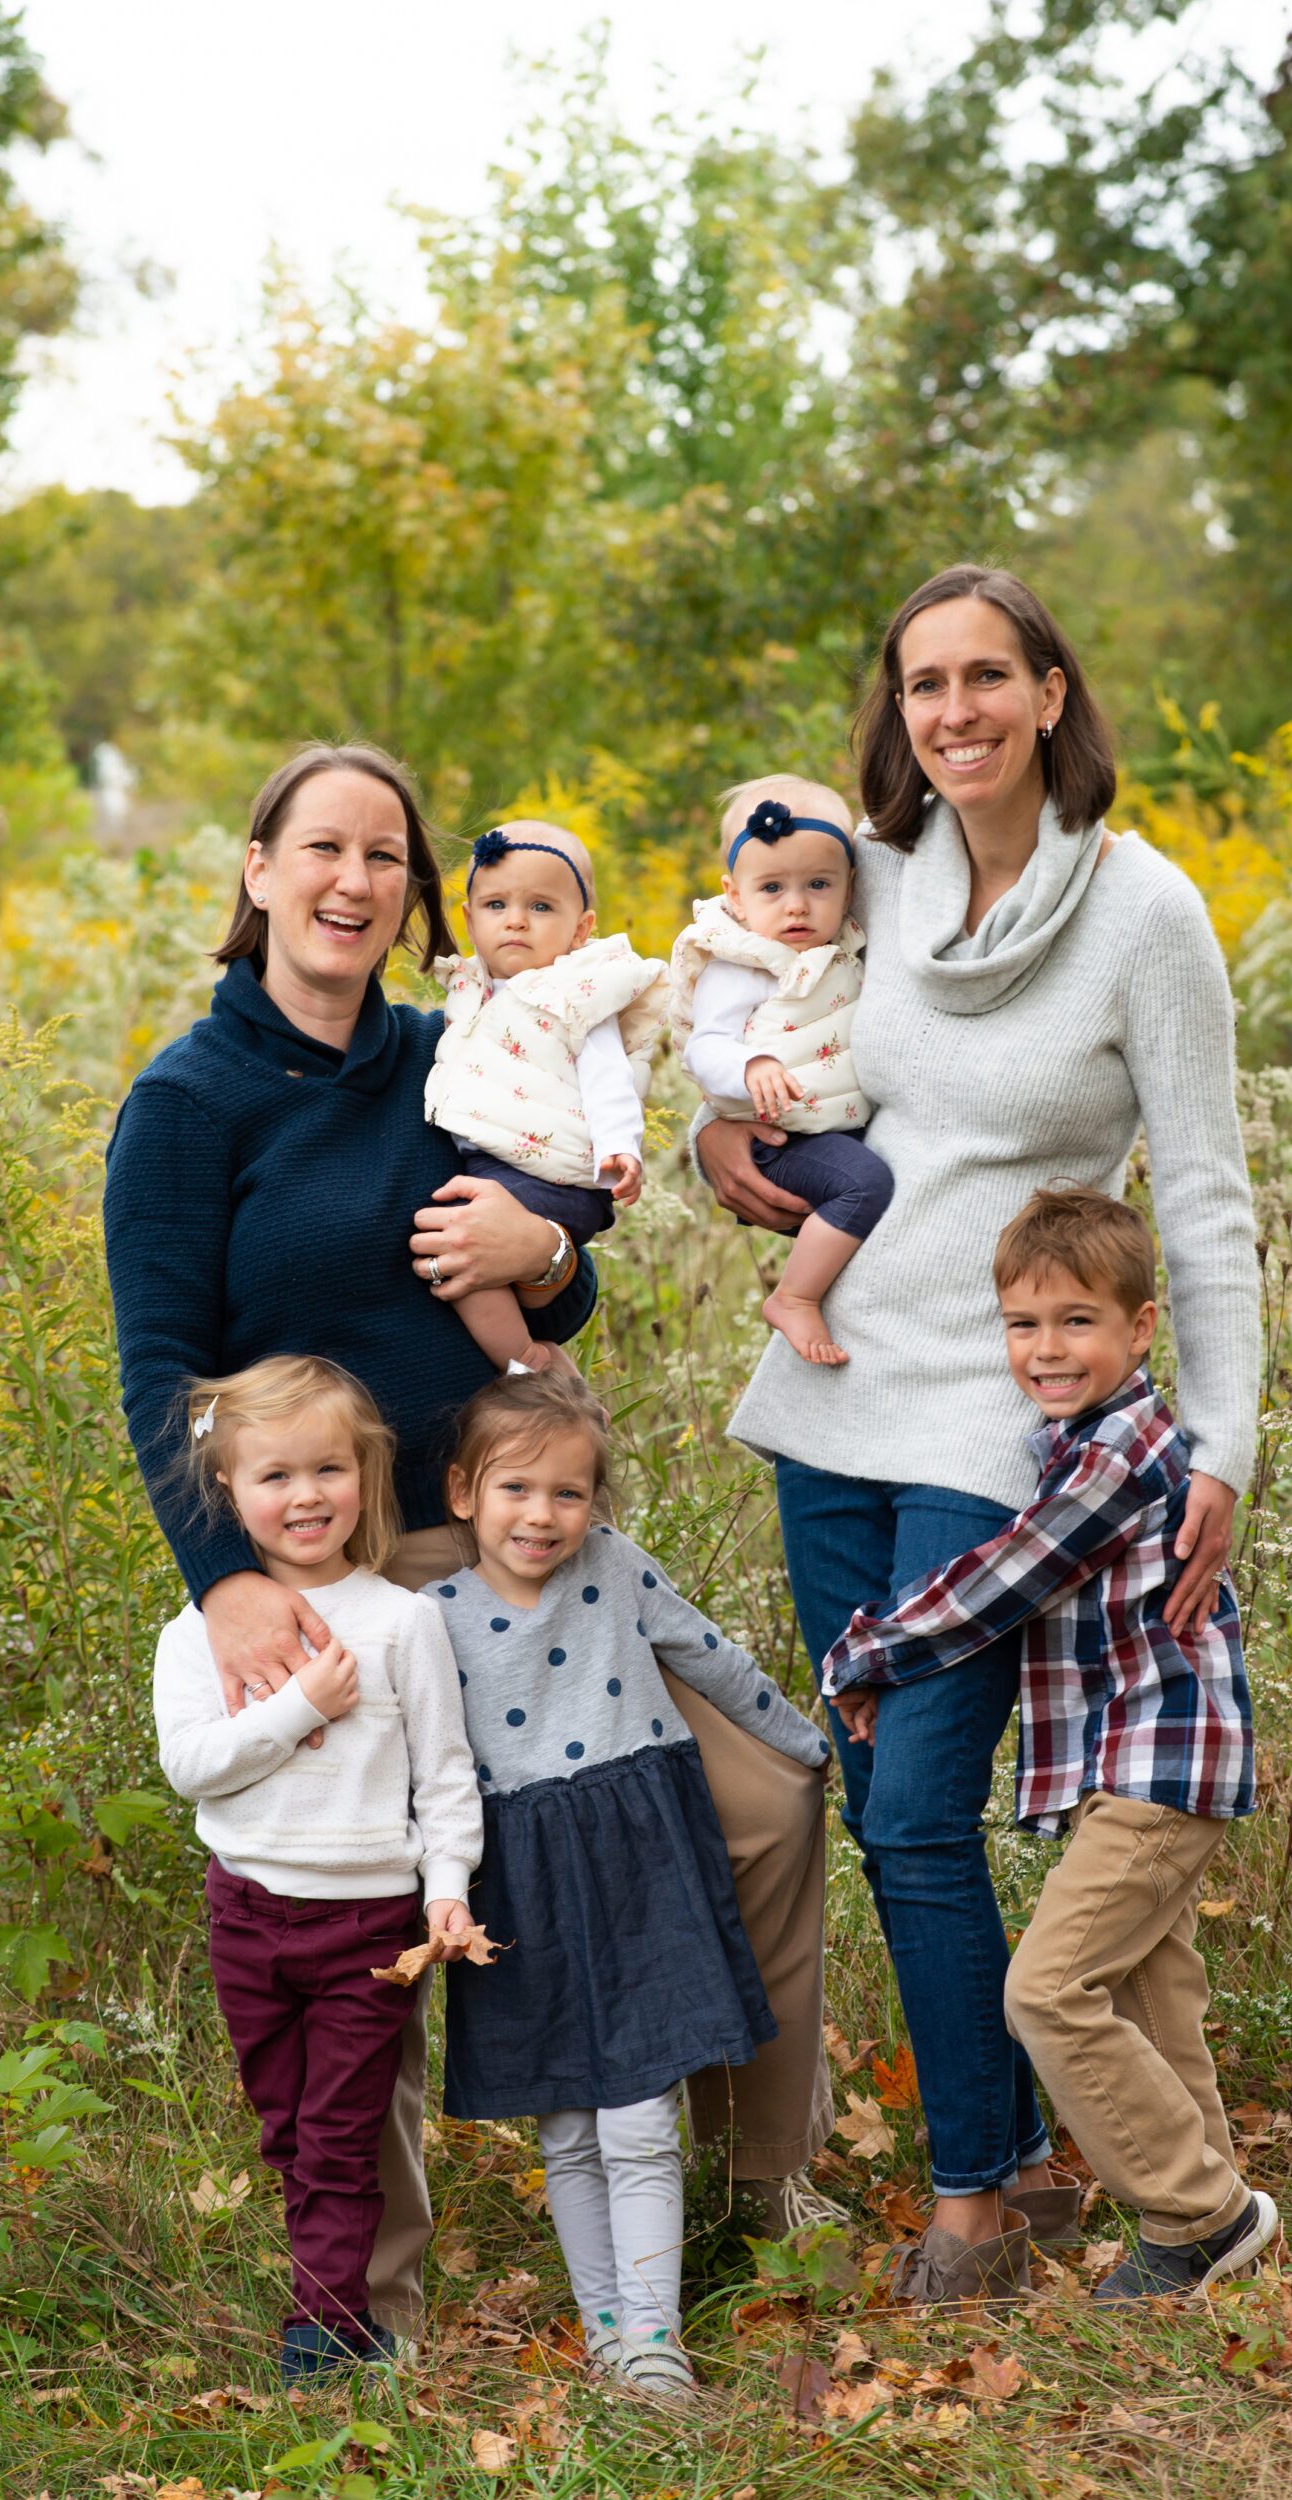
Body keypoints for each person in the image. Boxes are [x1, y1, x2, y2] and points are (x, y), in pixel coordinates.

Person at [104, 741, 839, 2346]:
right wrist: (224, 1580)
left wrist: (549, 1247)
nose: (355, 881)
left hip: (518, 1544)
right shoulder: (188, 1102)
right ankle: (364, 2309)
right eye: (324, 849)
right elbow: (158, 1368)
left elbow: (551, 1248)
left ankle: (744, 2197)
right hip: (331, 1576)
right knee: (357, 1908)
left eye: (387, 858)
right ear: (258, 870)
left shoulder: (461, 1054)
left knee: (767, 1799)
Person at [696, 565, 1260, 2303]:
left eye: (982, 678)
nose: (949, 711)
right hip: (828, 1397)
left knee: (921, 1816)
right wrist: (731, 1149)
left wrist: (1220, 1448)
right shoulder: (869, 879)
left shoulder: (1142, 915)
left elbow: (1207, 1202)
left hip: (995, 1428)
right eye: (919, 682)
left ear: (1045, 691)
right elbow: (731, 1002)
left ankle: (971, 2200)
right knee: (885, 1808)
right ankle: (1015, 2155)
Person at [824, 1188, 1272, 2300]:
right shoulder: (1080, 1439)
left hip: (1163, 1763)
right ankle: (1221, 2233)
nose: (1046, 1347)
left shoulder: (1121, 1452)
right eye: (1023, 1324)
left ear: (1138, 1326)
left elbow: (1002, 1581)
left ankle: (1199, 2215)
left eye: (1076, 1320)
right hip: (1140, 1766)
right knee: (1147, 1995)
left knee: (1049, 1989)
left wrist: (869, 1650)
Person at [424, 1369, 831, 2396]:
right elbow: (416, 1762)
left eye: (569, 1492)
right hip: (519, 1876)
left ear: (595, 1503)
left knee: (643, 2115)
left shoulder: (612, 1568)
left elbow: (714, 1659)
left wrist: (807, 1746)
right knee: (566, 2121)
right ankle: (605, 2325)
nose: (543, 1514)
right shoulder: (425, 1619)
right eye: (516, 1489)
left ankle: (654, 2342)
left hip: (644, 1860)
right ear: (462, 1492)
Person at [151, 1356, 482, 2380]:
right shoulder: (194, 1632)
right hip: (245, 1913)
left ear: (366, 1476)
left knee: (339, 2133)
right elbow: (191, 1767)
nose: (304, 1497)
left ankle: (324, 2333)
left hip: (368, 1930)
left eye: (328, 1469)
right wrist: (297, 1709)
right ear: (227, 1494)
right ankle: (334, 2308)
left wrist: (446, 1889)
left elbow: (445, 1775)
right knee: (287, 2126)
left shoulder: (400, 1620)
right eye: (275, 1477)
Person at [423, 820, 668, 1372]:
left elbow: (609, 1078)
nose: (514, 919)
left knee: (457, 1246)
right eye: (495, 905)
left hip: (551, 1174)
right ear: (468, 919)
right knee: (471, 1250)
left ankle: (528, 1362)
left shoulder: (574, 994)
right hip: (501, 1166)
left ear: (580, 930)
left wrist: (620, 1147)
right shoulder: (470, 992)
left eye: (539, 907)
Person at [670, 776, 895, 1365]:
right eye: (772, 887)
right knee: (865, 1185)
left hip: (832, 1121)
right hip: (779, 1136)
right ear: (735, 896)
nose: (796, 905)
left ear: (850, 889)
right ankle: (794, 1297)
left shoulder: (842, 949)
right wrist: (752, 1066)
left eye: (818, 884)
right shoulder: (741, 964)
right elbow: (705, 1045)